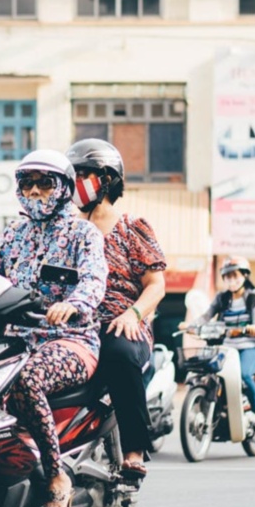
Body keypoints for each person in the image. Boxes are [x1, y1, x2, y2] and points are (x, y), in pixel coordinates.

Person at [0, 149, 107, 507]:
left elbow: (95, 278)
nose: (35, 192)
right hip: (15, 341)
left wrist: (75, 302)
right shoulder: (14, 233)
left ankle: (55, 475)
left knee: (27, 381)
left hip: (70, 340)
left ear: (64, 188)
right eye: (27, 183)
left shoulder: (83, 233)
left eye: (45, 183)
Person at [67, 138, 167, 478]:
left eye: (82, 175)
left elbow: (156, 285)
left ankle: (134, 449)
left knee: (119, 354)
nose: (74, 184)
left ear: (106, 180)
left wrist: (133, 314)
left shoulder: (132, 227)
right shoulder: (65, 231)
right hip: (72, 325)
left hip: (119, 323)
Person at [182, 256, 255, 426]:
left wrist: (253, 327)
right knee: (210, 372)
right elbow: (206, 317)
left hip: (249, 348)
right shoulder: (222, 298)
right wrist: (190, 326)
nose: (232, 280)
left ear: (245, 275)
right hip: (226, 348)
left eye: (235, 276)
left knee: (243, 374)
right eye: (228, 277)